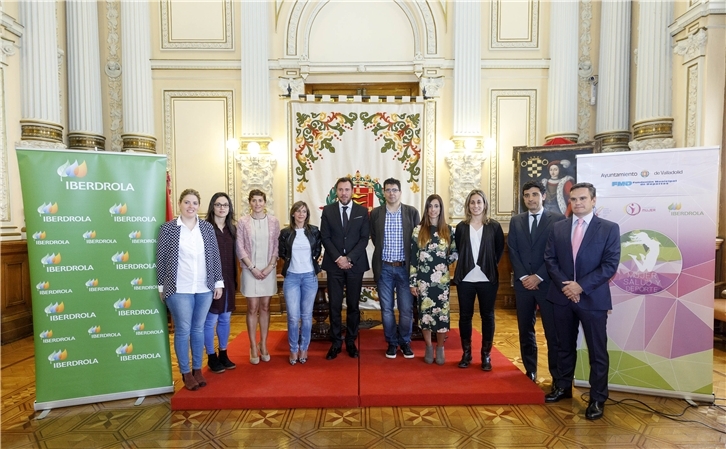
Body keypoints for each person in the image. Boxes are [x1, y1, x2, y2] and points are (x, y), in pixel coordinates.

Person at [544, 182, 620, 421]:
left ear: (593, 200)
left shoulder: (608, 228)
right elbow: (550, 260)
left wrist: (581, 286)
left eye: (582, 199)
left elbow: (609, 265)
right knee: (563, 346)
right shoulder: (558, 228)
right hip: (562, 297)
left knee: (597, 351)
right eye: (573, 199)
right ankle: (563, 387)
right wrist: (567, 287)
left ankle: (597, 398)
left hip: (593, 299)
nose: (577, 203)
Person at [156, 188, 223, 391]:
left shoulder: (207, 228)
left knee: (199, 329)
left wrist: (218, 282)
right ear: (180, 204)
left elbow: (214, 256)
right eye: (187, 202)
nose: (190, 206)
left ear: (199, 206)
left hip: (204, 287)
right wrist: (161, 286)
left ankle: (197, 369)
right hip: (179, 288)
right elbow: (161, 259)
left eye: (194, 203)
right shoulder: (168, 229)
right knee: (183, 330)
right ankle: (185, 372)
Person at [508, 181, 565, 384]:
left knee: (552, 331)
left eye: (534, 194)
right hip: (523, 286)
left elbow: (558, 253)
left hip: (547, 283)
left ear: (543, 196)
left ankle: (556, 376)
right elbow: (512, 251)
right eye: (526, 195)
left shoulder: (557, 220)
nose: (530, 198)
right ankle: (530, 370)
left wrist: (538, 276)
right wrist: (524, 276)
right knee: (526, 329)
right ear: (523, 198)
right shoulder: (516, 221)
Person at [453, 189, 504, 371]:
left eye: (479, 202)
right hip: (465, 279)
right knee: (465, 317)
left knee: (487, 316)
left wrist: (487, 265)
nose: (475, 206)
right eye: (472, 202)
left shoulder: (494, 226)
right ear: (468, 206)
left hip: (487, 279)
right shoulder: (461, 227)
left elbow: (498, 251)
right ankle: (466, 354)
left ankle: (486, 355)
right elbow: (459, 248)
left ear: (484, 205)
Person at [320, 177, 370, 360]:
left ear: (352, 191)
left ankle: (350, 340)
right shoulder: (328, 211)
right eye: (340, 190)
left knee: (353, 305)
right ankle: (335, 342)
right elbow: (325, 237)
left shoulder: (362, 211)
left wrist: (348, 258)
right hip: (334, 266)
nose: (343, 193)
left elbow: (364, 238)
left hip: (355, 265)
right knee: (334, 305)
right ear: (336, 192)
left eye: (347, 189)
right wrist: (338, 259)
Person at [370, 178, 420, 359]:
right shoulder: (376, 213)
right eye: (388, 190)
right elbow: (375, 238)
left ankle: (405, 342)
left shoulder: (411, 213)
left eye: (395, 190)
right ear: (383, 192)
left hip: (405, 269)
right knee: (387, 309)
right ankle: (391, 343)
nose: (392, 193)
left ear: (400, 192)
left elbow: (417, 241)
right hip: (384, 268)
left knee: (406, 309)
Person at [410, 194, 457, 365]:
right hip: (423, 281)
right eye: (430, 206)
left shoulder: (449, 230)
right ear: (426, 209)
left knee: (441, 316)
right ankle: (429, 346)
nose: (433, 210)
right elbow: (413, 258)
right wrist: (412, 282)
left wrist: (444, 261)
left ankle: (440, 347)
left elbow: (455, 251)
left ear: (441, 209)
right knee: (426, 316)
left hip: (441, 281)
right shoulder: (418, 230)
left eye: (436, 206)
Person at [236, 189, 280, 364]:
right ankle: (253, 345)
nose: (257, 204)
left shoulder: (274, 222)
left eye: (260, 200)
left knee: (266, 306)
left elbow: (277, 245)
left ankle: (264, 344)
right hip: (249, 270)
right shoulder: (243, 222)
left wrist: (270, 267)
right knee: (252, 307)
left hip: (268, 269)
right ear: (250, 203)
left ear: (265, 202)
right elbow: (240, 247)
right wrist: (252, 268)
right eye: (254, 200)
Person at [278, 201, 322, 365]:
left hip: (310, 277)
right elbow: (282, 252)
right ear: (293, 214)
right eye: (298, 211)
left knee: (306, 316)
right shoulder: (285, 233)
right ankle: (293, 349)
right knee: (293, 317)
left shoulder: (314, 231)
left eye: (304, 211)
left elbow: (317, 250)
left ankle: (304, 348)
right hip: (292, 278)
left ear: (307, 214)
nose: (301, 214)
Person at [203, 192, 238, 374]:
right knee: (211, 320)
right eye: (218, 204)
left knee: (225, 317)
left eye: (225, 205)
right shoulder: (205, 228)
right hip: (209, 281)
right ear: (212, 207)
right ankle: (211, 356)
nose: (222, 208)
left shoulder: (232, 229)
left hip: (229, 279)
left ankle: (223, 353)